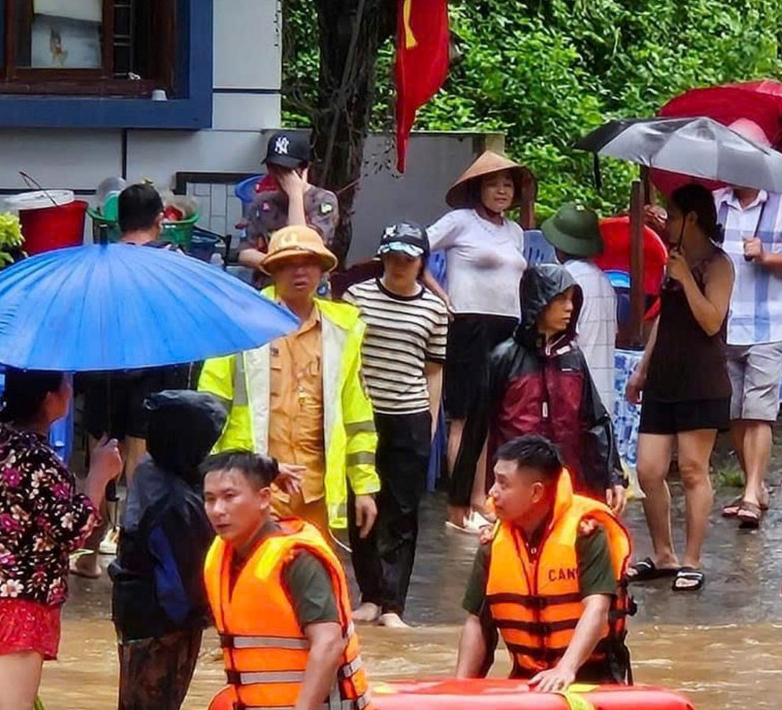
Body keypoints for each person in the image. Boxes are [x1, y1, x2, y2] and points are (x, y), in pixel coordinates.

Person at [197, 225, 381, 619]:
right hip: (255, 483)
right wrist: (222, 476)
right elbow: (210, 408)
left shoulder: (343, 330)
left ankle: (316, 669)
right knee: (252, 585)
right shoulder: (240, 325)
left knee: (315, 589)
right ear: (273, 272)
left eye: (309, 264)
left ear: (322, 271)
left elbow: (356, 414)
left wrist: (364, 487)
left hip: (315, 485)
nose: (300, 273)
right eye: (288, 265)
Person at [0, 369, 122, 710]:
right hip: (17, 602)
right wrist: (98, 476)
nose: (70, 389)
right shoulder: (35, 458)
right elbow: (72, 529)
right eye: (65, 383)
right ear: (50, 397)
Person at [201, 451, 371, 710]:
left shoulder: (297, 559)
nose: (217, 510)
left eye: (229, 497)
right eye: (210, 500)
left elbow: (329, 644)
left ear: (264, 498)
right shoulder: (221, 555)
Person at [73, 184, 193, 578]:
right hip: (155, 371)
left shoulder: (98, 263)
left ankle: (91, 550)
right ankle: (136, 551)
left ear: (114, 222)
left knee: (100, 457)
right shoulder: (175, 262)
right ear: (161, 219)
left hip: (102, 369)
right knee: (142, 464)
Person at [450, 263, 626, 520]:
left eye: (572, 300)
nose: (570, 307)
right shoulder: (503, 358)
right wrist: (460, 496)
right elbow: (475, 429)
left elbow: (596, 422)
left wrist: (613, 478)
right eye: (561, 299)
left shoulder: (573, 359)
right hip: (515, 489)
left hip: (566, 486)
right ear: (539, 302)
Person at [455, 435, 633, 689]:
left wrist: (565, 669)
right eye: (494, 481)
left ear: (536, 491)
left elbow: (597, 609)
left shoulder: (586, 534)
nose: (493, 493)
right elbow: (476, 622)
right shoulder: (493, 545)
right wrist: (460, 687)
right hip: (526, 678)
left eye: (503, 484)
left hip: (592, 677)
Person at [625, 184, 734, 592]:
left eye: (672, 215)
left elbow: (712, 321)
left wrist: (687, 278)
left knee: (692, 469)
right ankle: (663, 552)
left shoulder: (717, 265)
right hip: (664, 376)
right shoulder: (673, 260)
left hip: (702, 378)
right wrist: (642, 368)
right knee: (649, 469)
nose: (666, 222)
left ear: (691, 218)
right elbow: (664, 321)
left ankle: (691, 558)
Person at [344, 222, 448, 628]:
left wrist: (431, 420)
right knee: (363, 504)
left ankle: (393, 604)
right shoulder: (357, 297)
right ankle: (370, 594)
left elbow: (434, 370)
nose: (399, 264)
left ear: (421, 261)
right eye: (392, 256)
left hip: (410, 414)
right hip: (364, 415)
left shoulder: (434, 309)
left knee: (403, 511)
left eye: (408, 258)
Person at [423, 150, 533, 534]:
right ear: (477, 189)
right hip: (469, 324)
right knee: (465, 417)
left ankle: (481, 498)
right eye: (493, 183)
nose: (501, 190)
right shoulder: (459, 221)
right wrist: (440, 295)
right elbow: (414, 249)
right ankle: (461, 502)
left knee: (491, 416)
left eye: (507, 184)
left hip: (508, 328)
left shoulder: (515, 231)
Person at [712, 119, 782, 529]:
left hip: (768, 324)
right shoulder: (717, 203)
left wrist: (768, 256)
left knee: (759, 413)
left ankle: (753, 490)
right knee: (736, 412)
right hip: (725, 323)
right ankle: (755, 486)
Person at [109, 390, 226, 710]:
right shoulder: (176, 504)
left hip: (134, 610)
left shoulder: (151, 469)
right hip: (162, 625)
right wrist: (206, 618)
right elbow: (184, 583)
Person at [541, 202, 617, 413]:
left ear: (558, 245)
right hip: (601, 394)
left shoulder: (564, 281)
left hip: (572, 393)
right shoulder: (605, 282)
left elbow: (553, 339)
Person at [238, 131, 339, 281]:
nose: (280, 176)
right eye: (274, 168)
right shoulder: (261, 202)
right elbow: (245, 253)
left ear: (304, 169)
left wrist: (295, 195)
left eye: (286, 170)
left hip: (310, 289)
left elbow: (301, 246)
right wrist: (278, 265)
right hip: (269, 289)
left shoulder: (324, 201)